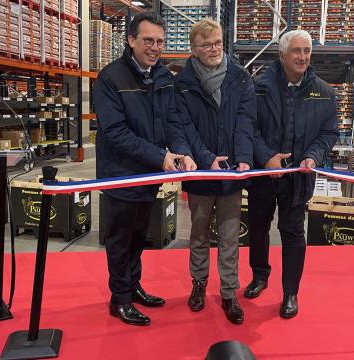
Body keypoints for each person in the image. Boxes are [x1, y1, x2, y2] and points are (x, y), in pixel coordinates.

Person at [93, 12, 197, 327]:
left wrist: (182, 152)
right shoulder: (111, 78)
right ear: (131, 41)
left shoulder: (163, 77)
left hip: (149, 174)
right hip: (121, 173)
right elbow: (116, 132)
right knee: (120, 238)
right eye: (148, 40)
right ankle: (119, 299)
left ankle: (132, 286)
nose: (154, 47)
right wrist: (159, 156)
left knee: (139, 235)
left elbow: (173, 122)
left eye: (160, 41)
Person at [244, 30, 339, 318]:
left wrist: (313, 156)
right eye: (296, 51)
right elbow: (249, 129)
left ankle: (290, 292)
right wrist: (266, 158)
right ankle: (260, 276)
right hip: (264, 174)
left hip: (298, 178)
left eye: (307, 51)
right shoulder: (258, 87)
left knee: (293, 233)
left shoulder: (324, 92)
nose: (302, 57)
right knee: (258, 228)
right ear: (282, 55)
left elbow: (328, 133)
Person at [175, 19, 255, 324]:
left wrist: (244, 157)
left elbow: (247, 121)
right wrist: (207, 158)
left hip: (232, 173)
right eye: (207, 44)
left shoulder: (240, 78)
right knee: (198, 233)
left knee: (230, 236)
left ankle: (229, 293)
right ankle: (198, 285)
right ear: (194, 49)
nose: (214, 49)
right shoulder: (182, 83)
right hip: (200, 173)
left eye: (218, 42)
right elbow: (184, 128)